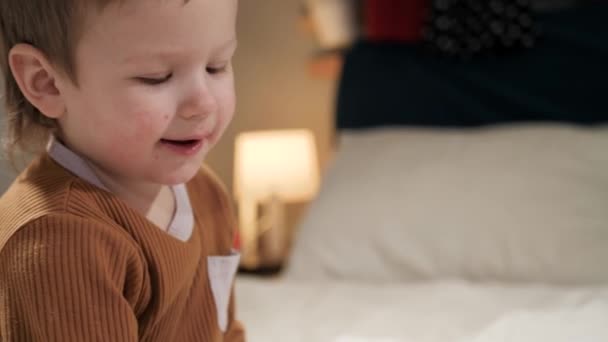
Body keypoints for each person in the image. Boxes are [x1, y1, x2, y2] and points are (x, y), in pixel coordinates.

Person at [0, 0, 245, 340]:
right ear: (46, 83)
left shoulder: (207, 193)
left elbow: (225, 332)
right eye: (156, 77)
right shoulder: (59, 240)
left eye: (216, 67)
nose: (202, 104)